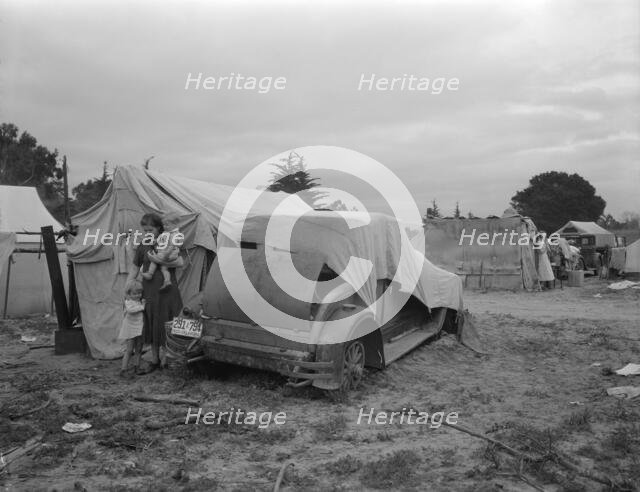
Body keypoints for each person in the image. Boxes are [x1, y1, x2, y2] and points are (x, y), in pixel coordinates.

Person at [126, 213, 184, 373]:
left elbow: (180, 262)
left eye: (150, 230)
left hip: (167, 292)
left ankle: (167, 360)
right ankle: (155, 359)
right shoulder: (143, 246)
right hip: (149, 292)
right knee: (151, 323)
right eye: (145, 230)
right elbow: (135, 268)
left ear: (159, 228)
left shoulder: (169, 241)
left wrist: (159, 260)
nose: (147, 233)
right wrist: (128, 285)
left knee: (166, 323)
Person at [141, 212, 182, 291]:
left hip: (169, 253)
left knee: (154, 259)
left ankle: (150, 273)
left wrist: (165, 255)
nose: (165, 226)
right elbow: (161, 239)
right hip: (166, 253)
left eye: (167, 225)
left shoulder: (174, 234)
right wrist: (155, 241)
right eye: (164, 225)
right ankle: (167, 281)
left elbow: (172, 246)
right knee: (164, 269)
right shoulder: (166, 233)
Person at [118, 280, 145, 377]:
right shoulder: (128, 302)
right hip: (130, 328)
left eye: (139, 293)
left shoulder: (139, 301)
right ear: (129, 293)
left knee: (139, 348)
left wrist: (142, 304)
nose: (137, 295)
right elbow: (131, 310)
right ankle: (123, 369)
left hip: (139, 328)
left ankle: (137, 367)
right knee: (129, 350)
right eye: (135, 293)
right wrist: (142, 307)